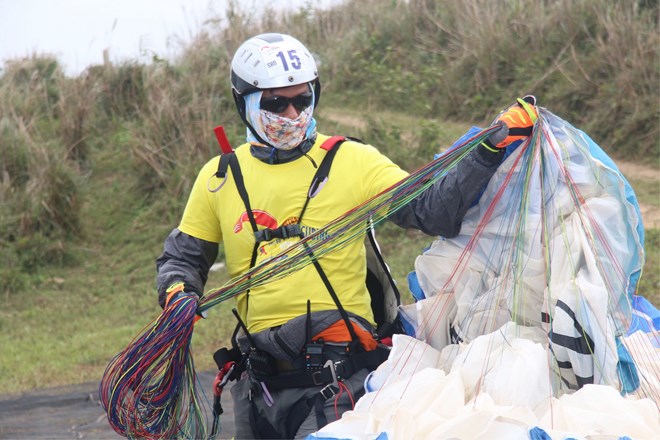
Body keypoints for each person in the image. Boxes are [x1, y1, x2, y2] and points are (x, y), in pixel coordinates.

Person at [155, 33, 537, 439]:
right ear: (243, 101)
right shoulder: (219, 176)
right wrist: (178, 293)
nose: (291, 113)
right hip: (258, 389)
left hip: (335, 383)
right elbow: (184, 257)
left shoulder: (352, 161)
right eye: (275, 103)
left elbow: (431, 210)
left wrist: (490, 148)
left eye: (302, 100)